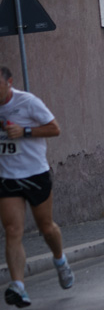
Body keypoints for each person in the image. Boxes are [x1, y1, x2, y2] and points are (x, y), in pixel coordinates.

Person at [0, 66, 74, 307]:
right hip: (7, 177)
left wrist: (25, 131)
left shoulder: (28, 102)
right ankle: (18, 287)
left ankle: (60, 260)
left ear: (9, 82)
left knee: (46, 228)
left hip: (35, 174)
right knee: (12, 230)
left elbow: (55, 128)